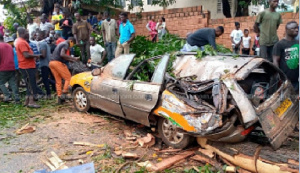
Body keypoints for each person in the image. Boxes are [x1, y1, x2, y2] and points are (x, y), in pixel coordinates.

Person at [15, 27, 41, 108]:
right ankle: (31, 102)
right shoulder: (22, 42)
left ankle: (27, 101)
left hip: (26, 66)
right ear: (22, 33)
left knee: (28, 84)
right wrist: (36, 55)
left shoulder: (21, 41)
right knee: (31, 84)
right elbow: (26, 55)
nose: (28, 33)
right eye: (27, 32)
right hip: (27, 66)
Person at [49, 37, 79, 104]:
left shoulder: (61, 44)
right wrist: (73, 58)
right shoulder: (66, 44)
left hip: (51, 63)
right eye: (73, 44)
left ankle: (59, 98)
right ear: (71, 41)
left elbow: (63, 56)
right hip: (57, 63)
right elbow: (62, 54)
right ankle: (64, 94)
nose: (72, 46)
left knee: (58, 81)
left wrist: (71, 60)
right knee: (68, 78)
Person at [273, 21, 299, 92]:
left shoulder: (298, 42)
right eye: (293, 28)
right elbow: (275, 60)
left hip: (296, 80)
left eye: (297, 28)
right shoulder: (280, 44)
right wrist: (279, 76)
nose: (296, 30)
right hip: (285, 80)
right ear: (287, 30)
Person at [0, 34, 20, 103]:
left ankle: (7, 96)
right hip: (11, 67)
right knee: (12, 83)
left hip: (3, 68)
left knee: (1, 83)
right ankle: (17, 98)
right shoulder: (9, 46)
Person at [37, 30, 55, 99]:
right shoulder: (45, 43)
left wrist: (35, 55)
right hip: (47, 62)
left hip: (44, 64)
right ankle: (56, 85)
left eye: (38, 35)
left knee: (45, 79)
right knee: (46, 79)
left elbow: (43, 55)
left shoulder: (42, 44)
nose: (36, 36)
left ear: (41, 36)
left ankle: (49, 94)